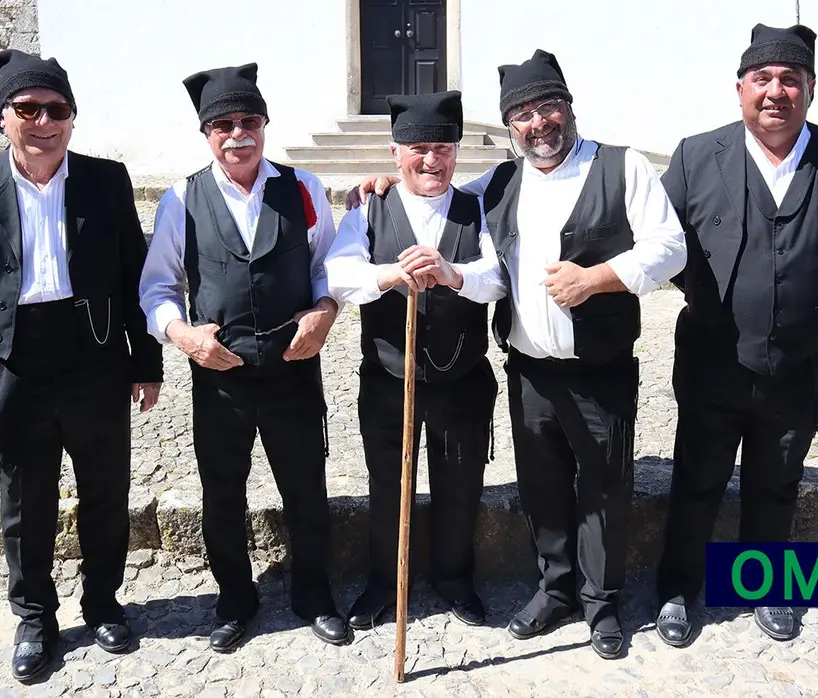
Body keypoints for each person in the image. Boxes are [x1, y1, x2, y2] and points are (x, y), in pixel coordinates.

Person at [351, 49, 687, 659]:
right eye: (523, 115)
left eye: (547, 107)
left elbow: (670, 248)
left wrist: (601, 276)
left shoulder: (623, 167)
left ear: (568, 107)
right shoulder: (499, 182)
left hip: (600, 367)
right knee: (542, 486)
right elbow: (432, 189)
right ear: (510, 128)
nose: (539, 123)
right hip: (528, 367)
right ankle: (555, 588)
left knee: (605, 487)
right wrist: (380, 182)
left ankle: (603, 603)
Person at [0, 49, 163, 682]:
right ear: (4, 116)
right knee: (24, 500)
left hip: (94, 357)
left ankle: (103, 602)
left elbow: (133, 275)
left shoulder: (104, 180)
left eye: (55, 110)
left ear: (71, 119)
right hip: (16, 359)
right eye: (27, 109)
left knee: (106, 492)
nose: (43, 122)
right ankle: (34, 617)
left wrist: (147, 363)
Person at [653, 24, 818, 646]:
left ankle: (764, 585)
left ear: (811, 88)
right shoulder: (697, 155)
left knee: (777, 479)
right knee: (697, 476)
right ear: (740, 90)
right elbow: (662, 243)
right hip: (712, 357)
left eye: (790, 79)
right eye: (763, 79)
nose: (775, 92)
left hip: (800, 361)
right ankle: (678, 586)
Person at [138, 63, 350, 650]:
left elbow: (327, 267)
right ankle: (235, 598)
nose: (238, 134)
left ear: (264, 124)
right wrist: (183, 337)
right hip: (220, 377)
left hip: (292, 369)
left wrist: (325, 310)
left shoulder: (302, 187)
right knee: (222, 491)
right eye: (224, 124)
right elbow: (157, 287)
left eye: (249, 120)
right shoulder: (182, 198)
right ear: (207, 133)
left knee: (306, 485)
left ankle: (313, 593)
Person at [324, 90, 506, 631]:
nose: (432, 160)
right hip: (388, 377)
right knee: (389, 485)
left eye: (444, 148)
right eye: (420, 148)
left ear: (457, 152)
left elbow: (498, 277)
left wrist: (453, 274)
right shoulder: (370, 208)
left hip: (462, 378)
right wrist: (386, 277)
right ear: (396, 152)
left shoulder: (478, 209)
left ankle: (454, 579)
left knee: (459, 484)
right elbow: (338, 275)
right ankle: (386, 582)